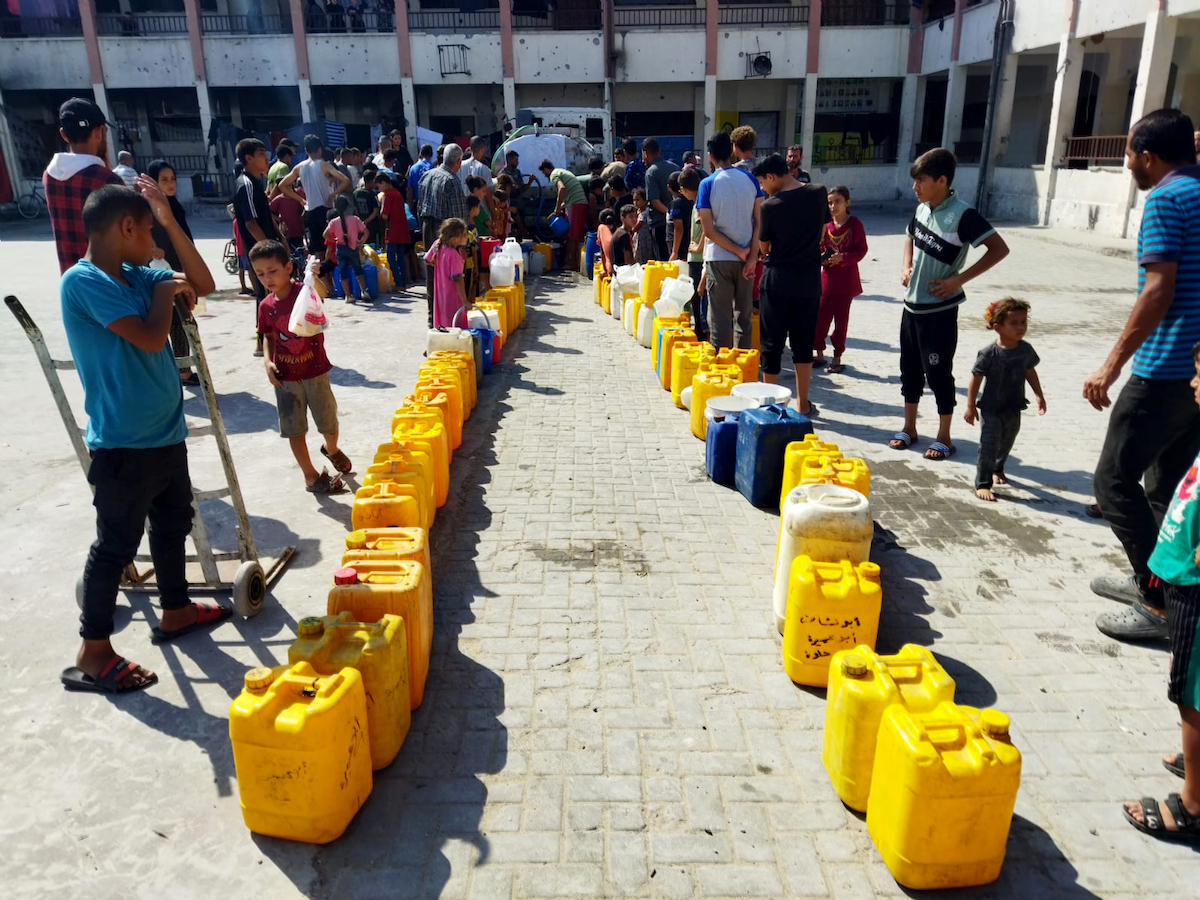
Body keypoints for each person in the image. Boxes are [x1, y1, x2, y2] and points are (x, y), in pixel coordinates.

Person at [59, 183, 224, 694]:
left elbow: (205, 283)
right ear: (125, 228)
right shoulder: (83, 282)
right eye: (148, 227)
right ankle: (93, 651)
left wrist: (170, 223)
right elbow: (152, 336)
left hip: (163, 432)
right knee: (115, 545)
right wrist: (162, 290)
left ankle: (174, 608)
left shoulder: (134, 272)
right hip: (123, 442)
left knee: (173, 521)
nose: (153, 236)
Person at [1086, 109, 1200, 643]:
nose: (1128, 162)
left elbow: (1158, 290)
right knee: (1166, 485)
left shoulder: (1165, 199)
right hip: (1197, 377)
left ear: (1148, 157)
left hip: (1164, 368)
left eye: (1130, 153)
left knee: (1111, 482)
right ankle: (1159, 583)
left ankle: (1155, 605)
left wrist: (1111, 366)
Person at [1118, 340, 1200, 842]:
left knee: (1191, 692)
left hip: (1195, 587)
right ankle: (1197, 762)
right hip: (1183, 578)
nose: (1193, 383)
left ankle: (1192, 804)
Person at [890, 147, 1009, 460]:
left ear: (942, 180)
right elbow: (909, 238)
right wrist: (906, 266)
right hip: (911, 307)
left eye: (921, 181)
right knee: (909, 371)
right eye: (914, 181)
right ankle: (910, 427)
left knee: (938, 373)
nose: (915, 187)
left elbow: (999, 249)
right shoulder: (921, 209)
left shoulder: (964, 214)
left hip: (939, 311)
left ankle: (944, 436)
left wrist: (959, 279)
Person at [251, 240, 351, 495]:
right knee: (295, 428)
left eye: (273, 271)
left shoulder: (303, 292)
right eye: (261, 274)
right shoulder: (265, 306)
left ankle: (331, 449)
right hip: (285, 378)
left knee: (328, 423)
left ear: (288, 268)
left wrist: (314, 276)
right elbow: (268, 337)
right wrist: (267, 361)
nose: (267, 278)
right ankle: (310, 475)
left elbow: (323, 293)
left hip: (315, 371)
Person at [753, 153, 828, 416]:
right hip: (808, 281)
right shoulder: (819, 193)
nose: (762, 188)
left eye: (762, 182)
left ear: (772, 177)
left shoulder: (770, 206)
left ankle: (771, 406)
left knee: (771, 345)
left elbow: (764, 247)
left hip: (777, 282)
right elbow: (822, 231)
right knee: (803, 343)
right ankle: (803, 403)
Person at [964, 298, 1046, 502]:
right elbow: (976, 377)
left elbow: (1030, 371)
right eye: (1014, 323)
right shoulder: (989, 353)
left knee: (1008, 440)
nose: (1021, 327)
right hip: (991, 408)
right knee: (989, 444)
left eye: (1023, 322)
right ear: (997, 327)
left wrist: (1039, 394)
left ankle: (998, 469)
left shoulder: (1025, 350)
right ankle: (983, 483)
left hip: (1014, 406)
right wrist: (970, 405)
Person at [696, 130, 763, 351]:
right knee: (743, 319)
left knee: (720, 322)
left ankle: (721, 375)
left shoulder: (707, 184)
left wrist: (739, 252)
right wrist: (751, 256)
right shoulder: (751, 179)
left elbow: (709, 231)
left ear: (710, 155)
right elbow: (759, 222)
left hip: (719, 259)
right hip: (747, 260)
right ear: (731, 152)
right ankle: (743, 371)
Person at [45, 98, 125, 275]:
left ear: (64, 135)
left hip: (72, 280)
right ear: (100, 132)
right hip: (108, 281)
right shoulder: (106, 179)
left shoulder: (50, 176)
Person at [146, 159, 198, 386]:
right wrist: (152, 250)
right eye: (164, 180)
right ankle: (180, 372)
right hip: (161, 275)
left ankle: (182, 370)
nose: (170, 184)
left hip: (180, 270)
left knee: (182, 319)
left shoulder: (174, 207)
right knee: (174, 322)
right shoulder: (148, 211)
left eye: (173, 179)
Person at [233, 138, 283, 356]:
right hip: (260, 254)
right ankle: (262, 343)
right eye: (262, 153)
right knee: (265, 297)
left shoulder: (257, 182)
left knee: (270, 295)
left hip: (267, 248)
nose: (266, 157)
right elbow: (251, 223)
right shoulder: (246, 185)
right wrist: (270, 249)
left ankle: (272, 339)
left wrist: (281, 238)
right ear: (248, 158)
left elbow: (265, 218)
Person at [814, 185, 868, 373]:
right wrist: (823, 257)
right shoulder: (825, 226)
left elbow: (862, 250)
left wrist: (844, 258)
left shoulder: (855, 224)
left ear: (847, 203)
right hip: (826, 281)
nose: (833, 206)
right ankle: (819, 354)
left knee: (841, 322)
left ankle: (837, 357)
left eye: (837, 201)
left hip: (846, 282)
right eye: (830, 202)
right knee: (820, 320)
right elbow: (819, 247)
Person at [417, 143, 469, 326]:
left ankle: (433, 319)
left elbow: (418, 206)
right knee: (452, 278)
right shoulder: (452, 181)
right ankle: (450, 320)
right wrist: (462, 245)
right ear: (458, 162)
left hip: (427, 227)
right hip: (446, 233)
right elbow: (458, 218)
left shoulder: (427, 175)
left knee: (433, 278)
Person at [278, 134, 350, 259]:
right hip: (326, 209)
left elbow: (282, 185)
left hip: (310, 210)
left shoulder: (299, 167)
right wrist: (332, 195)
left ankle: (322, 275)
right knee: (332, 244)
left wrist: (300, 199)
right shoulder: (323, 165)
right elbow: (345, 180)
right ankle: (334, 274)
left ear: (306, 150)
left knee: (317, 248)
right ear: (320, 149)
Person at [540, 159, 587, 271]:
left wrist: (557, 208)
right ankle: (575, 261)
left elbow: (562, 188)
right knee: (576, 234)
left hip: (575, 204)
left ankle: (571, 262)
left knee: (571, 235)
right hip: (580, 202)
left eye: (544, 172)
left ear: (546, 169)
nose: (545, 175)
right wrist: (562, 204)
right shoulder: (561, 171)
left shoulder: (553, 174)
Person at [424, 218, 470, 328]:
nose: (467, 236)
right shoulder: (453, 255)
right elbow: (458, 279)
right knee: (455, 326)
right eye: (464, 234)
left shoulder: (438, 244)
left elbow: (427, 259)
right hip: (453, 298)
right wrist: (465, 301)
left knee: (443, 325)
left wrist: (441, 269)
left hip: (440, 296)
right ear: (454, 239)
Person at [679, 167, 708, 341]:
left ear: (685, 189)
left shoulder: (699, 203)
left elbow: (706, 226)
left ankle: (700, 333)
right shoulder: (699, 200)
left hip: (698, 259)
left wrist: (698, 247)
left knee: (697, 299)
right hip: (699, 258)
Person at [324, 194, 368, 303]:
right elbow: (366, 232)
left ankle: (348, 295)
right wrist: (361, 241)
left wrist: (334, 239)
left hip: (341, 247)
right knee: (358, 270)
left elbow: (325, 234)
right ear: (348, 206)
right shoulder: (355, 219)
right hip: (353, 248)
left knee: (343, 272)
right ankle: (364, 291)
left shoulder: (334, 222)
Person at [643, 137, 679, 261]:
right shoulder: (675, 168)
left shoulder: (651, 172)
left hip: (659, 223)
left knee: (662, 261)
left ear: (645, 153)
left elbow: (654, 201)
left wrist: (669, 215)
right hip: (678, 224)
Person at [376, 173, 410, 293]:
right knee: (400, 257)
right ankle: (403, 283)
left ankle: (398, 282)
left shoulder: (387, 196)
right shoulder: (398, 193)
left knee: (391, 257)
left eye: (379, 186)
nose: (379, 189)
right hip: (402, 229)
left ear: (384, 183)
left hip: (392, 230)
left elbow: (384, 215)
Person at [270, 178, 307, 263]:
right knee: (289, 256)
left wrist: (302, 216)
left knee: (300, 254)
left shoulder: (298, 195)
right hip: (286, 232)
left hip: (298, 229)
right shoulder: (278, 200)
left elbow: (305, 205)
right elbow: (268, 211)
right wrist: (278, 219)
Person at [666, 170, 691, 264]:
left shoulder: (676, 204)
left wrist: (674, 252)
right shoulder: (689, 201)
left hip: (678, 247)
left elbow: (678, 227)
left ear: (669, 187)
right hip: (686, 244)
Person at [353, 166, 383, 247]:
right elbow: (376, 211)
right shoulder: (371, 194)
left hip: (360, 225)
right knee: (374, 247)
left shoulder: (356, 193)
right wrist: (367, 221)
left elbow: (355, 209)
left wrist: (361, 219)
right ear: (372, 181)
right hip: (372, 226)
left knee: (364, 246)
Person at [407, 142, 434, 211]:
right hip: (431, 202)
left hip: (418, 202)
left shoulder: (413, 168)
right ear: (431, 155)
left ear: (420, 154)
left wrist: (410, 204)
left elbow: (410, 188)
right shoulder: (433, 167)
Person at [610, 204, 636, 269]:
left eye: (636, 216)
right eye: (631, 217)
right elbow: (628, 261)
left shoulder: (619, 231)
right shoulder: (624, 235)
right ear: (622, 219)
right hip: (622, 272)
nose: (634, 219)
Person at [632, 189, 655, 265]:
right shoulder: (639, 211)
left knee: (643, 256)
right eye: (634, 200)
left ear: (645, 201)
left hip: (643, 238)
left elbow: (636, 227)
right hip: (639, 237)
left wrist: (631, 229)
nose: (635, 202)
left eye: (638, 200)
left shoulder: (644, 213)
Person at [597, 207, 617, 275]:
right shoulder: (620, 230)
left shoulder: (601, 228)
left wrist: (605, 270)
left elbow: (602, 251)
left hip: (610, 269)